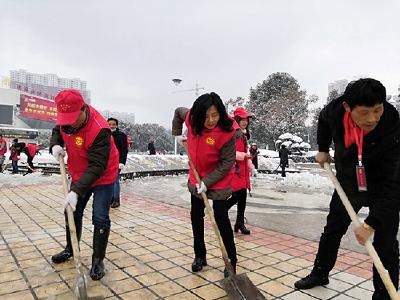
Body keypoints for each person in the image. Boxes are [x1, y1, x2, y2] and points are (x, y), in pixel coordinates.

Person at [294, 78, 400, 300]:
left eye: (377, 110)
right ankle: (320, 273)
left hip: (382, 184)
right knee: (333, 230)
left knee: (386, 243)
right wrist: (323, 149)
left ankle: (385, 294)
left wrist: (372, 223)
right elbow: (322, 121)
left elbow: (394, 183)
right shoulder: (334, 111)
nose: (372, 119)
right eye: (364, 112)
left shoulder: (391, 123)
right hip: (349, 180)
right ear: (347, 108)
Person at [49, 89, 119, 281]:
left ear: (83, 109)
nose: (69, 123)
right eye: (66, 118)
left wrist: (76, 191)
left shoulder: (100, 129)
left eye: (73, 118)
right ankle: (71, 248)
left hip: (103, 173)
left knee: (100, 215)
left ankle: (98, 260)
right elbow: (58, 130)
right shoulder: (66, 120)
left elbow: (97, 166)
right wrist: (55, 144)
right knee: (71, 211)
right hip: (80, 172)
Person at [172, 92, 238, 278]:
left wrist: (207, 183)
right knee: (196, 216)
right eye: (206, 116)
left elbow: (227, 163)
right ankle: (200, 256)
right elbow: (178, 112)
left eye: (215, 115)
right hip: (197, 173)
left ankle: (231, 260)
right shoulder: (192, 119)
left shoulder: (227, 132)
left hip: (219, 177)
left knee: (221, 219)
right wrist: (177, 134)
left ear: (221, 113)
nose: (210, 120)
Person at [226, 107, 255, 235]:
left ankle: (239, 223)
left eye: (246, 119)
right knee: (236, 196)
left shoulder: (244, 134)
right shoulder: (231, 133)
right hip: (234, 170)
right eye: (242, 119)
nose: (245, 122)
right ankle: (220, 210)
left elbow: (245, 152)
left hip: (243, 170)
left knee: (242, 198)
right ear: (237, 119)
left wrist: (250, 164)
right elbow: (229, 152)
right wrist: (244, 157)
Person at [107, 117, 128, 208]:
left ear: (117, 125)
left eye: (113, 124)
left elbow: (124, 150)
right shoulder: (104, 134)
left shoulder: (121, 135)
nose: (111, 126)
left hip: (117, 161)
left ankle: (116, 200)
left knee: (115, 180)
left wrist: (122, 162)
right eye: (109, 124)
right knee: (108, 181)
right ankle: (110, 199)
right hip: (106, 162)